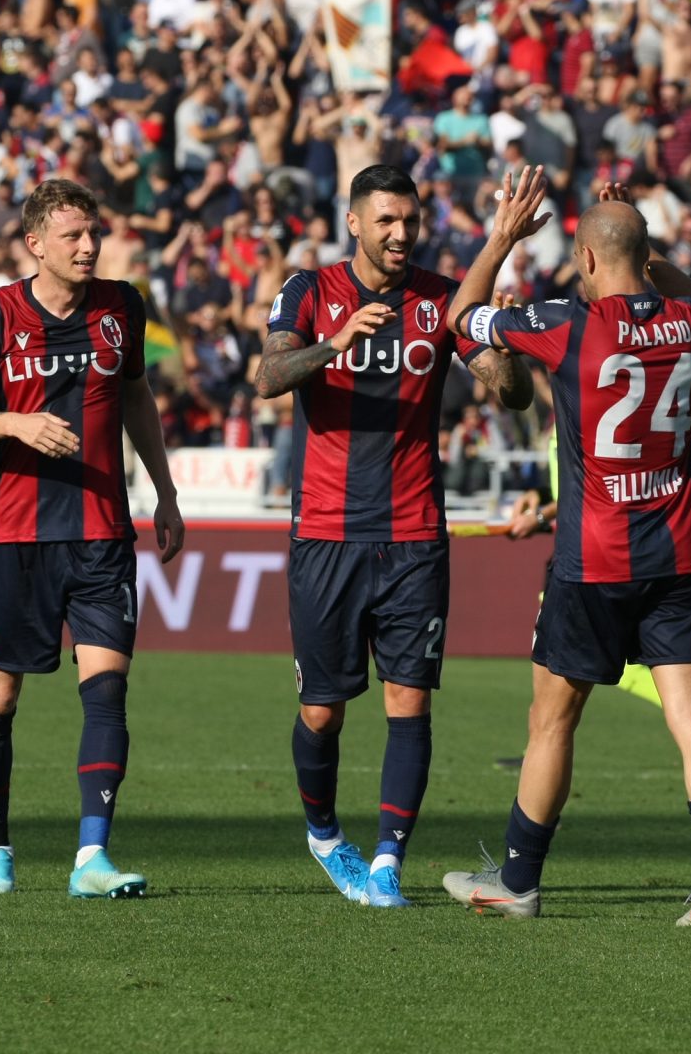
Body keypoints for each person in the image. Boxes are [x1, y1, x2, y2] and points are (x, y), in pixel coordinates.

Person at [439, 173, 691, 927]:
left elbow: (460, 319)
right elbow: (679, 286)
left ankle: (518, 880)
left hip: (594, 558)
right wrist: (638, 242)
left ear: (584, 258)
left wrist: (503, 237)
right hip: (676, 552)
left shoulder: (567, 324)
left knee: (552, 721)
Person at [253, 163, 531, 908]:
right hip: (327, 533)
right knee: (322, 710)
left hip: (414, 535)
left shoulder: (443, 300)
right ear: (354, 223)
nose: (400, 233)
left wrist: (506, 353)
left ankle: (386, 863)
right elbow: (269, 375)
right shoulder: (309, 291)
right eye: (385, 220)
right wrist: (333, 344)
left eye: (409, 220)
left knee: (409, 704)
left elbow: (512, 395)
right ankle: (324, 836)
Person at [0, 179, 185, 899]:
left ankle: (91, 860)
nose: (88, 246)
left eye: (93, 233)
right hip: (19, 536)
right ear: (35, 244)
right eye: (72, 236)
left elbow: (135, 393)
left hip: (104, 532)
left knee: (108, 691)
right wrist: (15, 423)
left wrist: (164, 491)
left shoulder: (121, 307)